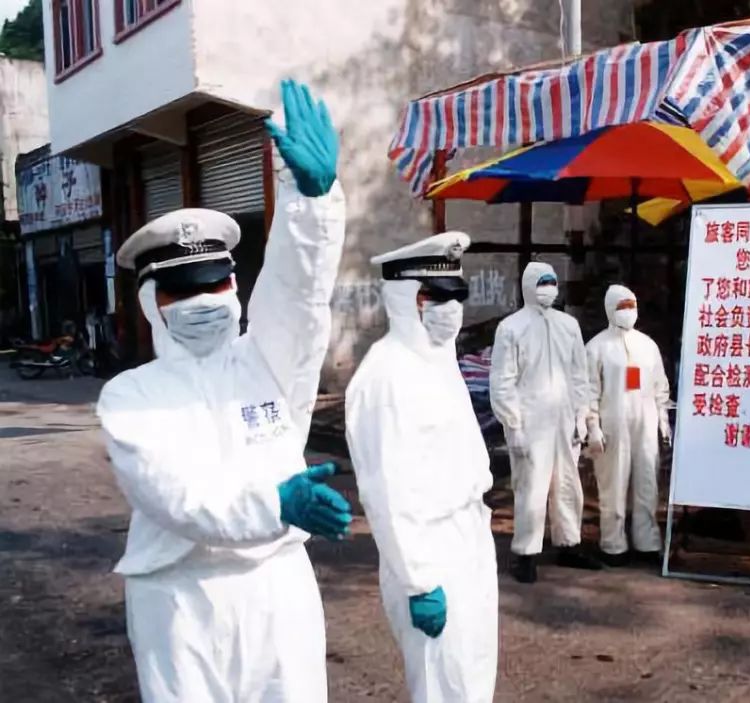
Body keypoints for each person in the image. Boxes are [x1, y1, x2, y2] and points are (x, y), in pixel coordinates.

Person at [96, 79, 351, 702]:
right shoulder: (130, 399)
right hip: (176, 596)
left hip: (277, 585)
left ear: (235, 286)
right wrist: (275, 504)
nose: (203, 301)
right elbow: (175, 499)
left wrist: (313, 203)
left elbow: (298, 293)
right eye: (181, 290)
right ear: (151, 302)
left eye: (215, 284)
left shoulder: (267, 360)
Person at [345, 231, 498, 703]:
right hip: (429, 553)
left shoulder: (437, 362)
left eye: (454, 297)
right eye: (433, 297)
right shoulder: (386, 375)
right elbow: (386, 492)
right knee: (440, 684)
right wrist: (418, 580)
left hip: (468, 535)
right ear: (404, 297)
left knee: (472, 676)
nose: (449, 309)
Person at [490, 262, 602, 583]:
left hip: (565, 418)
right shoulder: (511, 328)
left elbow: (579, 374)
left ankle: (569, 543)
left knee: (568, 483)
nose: (548, 289)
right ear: (528, 286)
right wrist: (513, 425)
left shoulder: (568, 325)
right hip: (531, 420)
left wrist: (582, 415)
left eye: (552, 283)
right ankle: (526, 553)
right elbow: (502, 381)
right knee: (531, 487)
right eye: (542, 283)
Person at [585, 285, 671, 566]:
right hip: (612, 424)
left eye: (631, 305)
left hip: (646, 423)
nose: (628, 312)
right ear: (609, 308)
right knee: (613, 484)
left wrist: (663, 421)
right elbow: (588, 391)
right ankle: (613, 544)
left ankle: (647, 543)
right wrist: (592, 426)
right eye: (622, 306)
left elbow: (660, 387)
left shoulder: (648, 346)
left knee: (647, 483)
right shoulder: (596, 347)